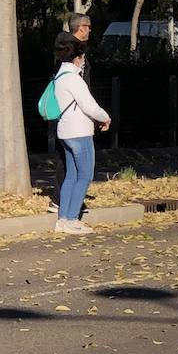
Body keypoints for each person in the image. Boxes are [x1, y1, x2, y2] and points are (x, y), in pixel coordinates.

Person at [51, 31, 110, 233]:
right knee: (85, 175)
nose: (83, 61)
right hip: (80, 132)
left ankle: (62, 220)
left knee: (71, 176)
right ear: (77, 58)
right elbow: (89, 106)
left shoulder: (59, 77)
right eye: (83, 57)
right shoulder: (75, 80)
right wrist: (105, 117)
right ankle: (72, 219)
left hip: (65, 132)